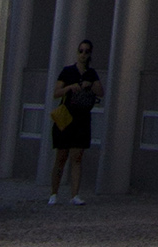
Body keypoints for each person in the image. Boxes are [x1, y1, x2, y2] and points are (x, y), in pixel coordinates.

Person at [47, 41, 101, 204]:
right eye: (81, 51)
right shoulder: (67, 71)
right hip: (66, 117)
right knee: (61, 156)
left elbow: (101, 92)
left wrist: (89, 85)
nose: (83, 54)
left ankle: (74, 195)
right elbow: (56, 93)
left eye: (86, 51)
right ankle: (54, 193)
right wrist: (70, 88)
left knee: (77, 156)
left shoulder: (91, 74)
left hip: (82, 118)